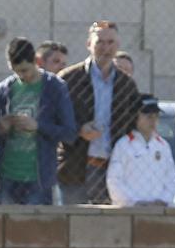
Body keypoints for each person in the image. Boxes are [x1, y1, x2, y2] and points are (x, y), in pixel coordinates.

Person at [59, 21, 142, 206]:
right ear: (89, 44)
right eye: (100, 42)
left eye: (111, 42)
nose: (105, 48)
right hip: (75, 165)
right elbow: (54, 120)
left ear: (118, 45)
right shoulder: (68, 79)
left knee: (110, 226)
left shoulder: (126, 85)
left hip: (114, 168)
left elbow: (134, 125)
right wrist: (79, 130)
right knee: (74, 223)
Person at [0, 36, 75, 205]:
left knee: (37, 229)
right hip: (7, 175)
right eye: (16, 71)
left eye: (26, 70)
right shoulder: (4, 90)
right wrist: (1, 128)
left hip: (39, 178)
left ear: (36, 61)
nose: (22, 76)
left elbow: (69, 133)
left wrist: (38, 126)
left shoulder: (55, 87)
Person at [105, 96, 175, 207]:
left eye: (156, 116)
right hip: (130, 210)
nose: (153, 120)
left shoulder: (163, 146)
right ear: (135, 117)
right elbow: (114, 180)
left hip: (159, 211)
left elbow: (172, 179)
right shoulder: (123, 145)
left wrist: (163, 200)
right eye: (148, 116)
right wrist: (134, 202)